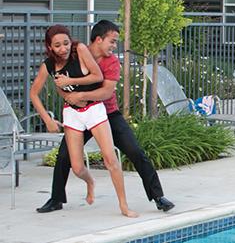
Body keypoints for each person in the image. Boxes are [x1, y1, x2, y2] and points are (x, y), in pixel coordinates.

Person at [36, 20, 174, 214]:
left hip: (107, 114)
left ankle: (158, 196)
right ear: (99, 39)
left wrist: (80, 95)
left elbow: (106, 92)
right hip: (80, 115)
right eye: (112, 41)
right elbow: (60, 80)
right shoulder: (75, 53)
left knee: (134, 151)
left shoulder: (111, 62)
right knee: (64, 156)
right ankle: (56, 199)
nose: (114, 46)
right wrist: (67, 96)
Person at [30, 24, 138, 217]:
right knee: (78, 167)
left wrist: (70, 82)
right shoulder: (48, 65)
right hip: (71, 113)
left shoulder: (79, 50)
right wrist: (47, 119)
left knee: (110, 159)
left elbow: (97, 75)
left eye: (66, 43)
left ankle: (123, 206)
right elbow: (33, 94)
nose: (63, 48)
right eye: (57, 45)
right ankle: (90, 182)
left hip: (93, 109)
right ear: (50, 47)